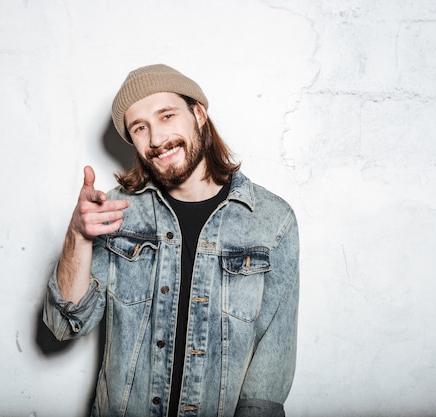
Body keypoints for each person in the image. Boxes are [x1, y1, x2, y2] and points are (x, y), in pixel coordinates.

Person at [43, 64, 300, 417]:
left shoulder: (272, 220)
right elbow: (64, 325)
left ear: (198, 113)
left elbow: (271, 365)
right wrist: (78, 236)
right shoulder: (116, 213)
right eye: (140, 127)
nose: (157, 139)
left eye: (166, 116)